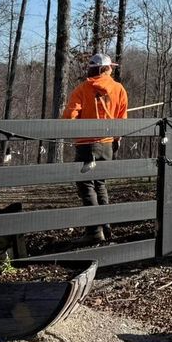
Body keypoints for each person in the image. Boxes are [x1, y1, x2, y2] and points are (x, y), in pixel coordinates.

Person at [61, 52, 128, 244]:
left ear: (92, 69)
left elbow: (69, 118)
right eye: (110, 68)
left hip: (86, 144)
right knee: (100, 184)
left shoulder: (82, 89)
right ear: (106, 69)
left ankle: (93, 231)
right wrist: (116, 137)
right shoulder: (119, 89)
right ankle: (105, 227)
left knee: (86, 184)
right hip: (108, 144)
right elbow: (122, 119)